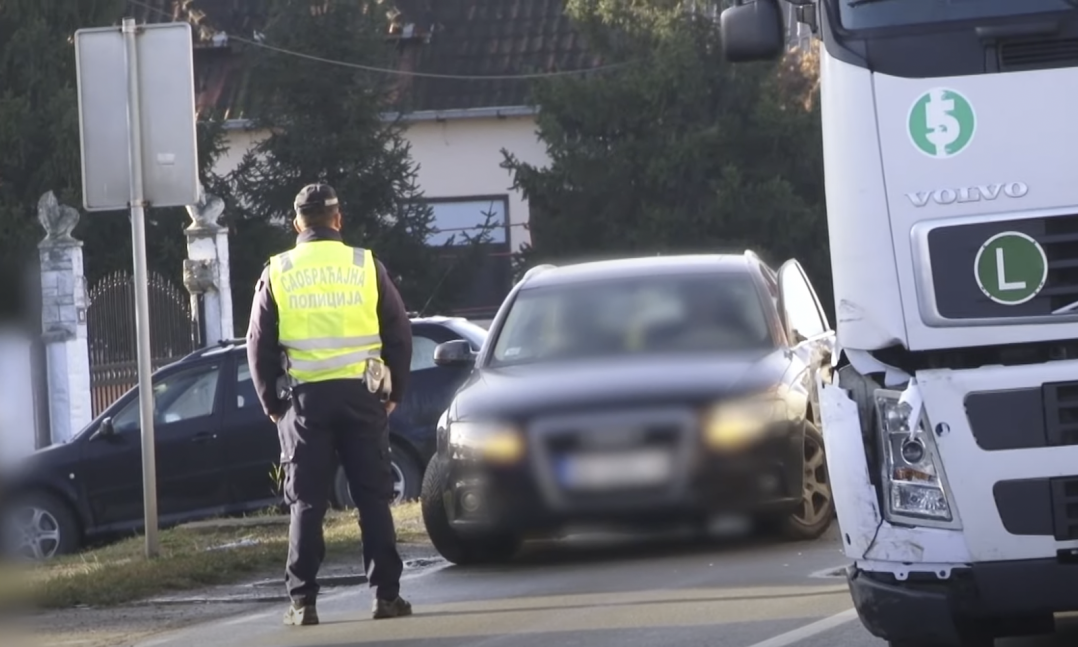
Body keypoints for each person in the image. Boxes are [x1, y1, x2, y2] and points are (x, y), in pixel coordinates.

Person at [246, 183, 414, 626]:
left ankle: (303, 603)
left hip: (305, 404)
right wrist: (393, 394)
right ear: (338, 220)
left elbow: (258, 343)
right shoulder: (365, 264)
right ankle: (385, 597)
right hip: (362, 397)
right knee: (373, 499)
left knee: (307, 504)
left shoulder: (278, 270)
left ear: (297, 223)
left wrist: (272, 404)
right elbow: (399, 331)